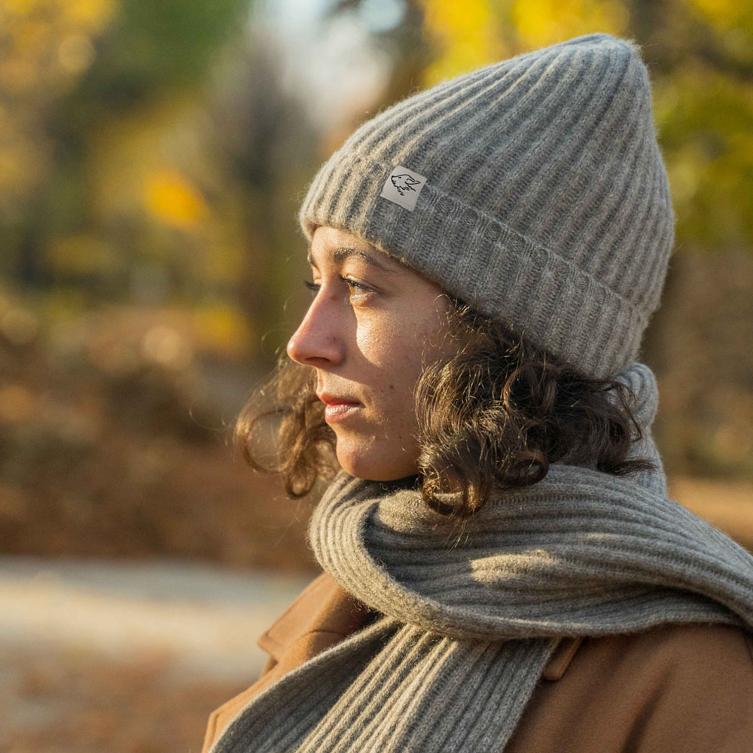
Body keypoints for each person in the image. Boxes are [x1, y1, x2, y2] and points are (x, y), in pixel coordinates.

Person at [201, 32, 753, 753]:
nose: (307, 340)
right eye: (316, 281)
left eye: (360, 286)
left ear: (511, 329)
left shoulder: (694, 681)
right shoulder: (370, 574)